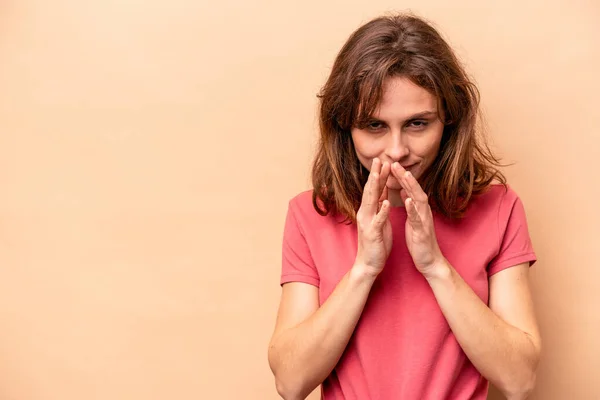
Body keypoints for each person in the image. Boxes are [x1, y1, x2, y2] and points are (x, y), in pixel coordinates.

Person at [267, 13, 541, 400]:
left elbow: (519, 380)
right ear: (345, 126)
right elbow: (290, 383)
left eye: (417, 124)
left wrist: (435, 265)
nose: (397, 150)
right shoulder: (309, 214)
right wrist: (364, 268)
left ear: (449, 118)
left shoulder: (500, 209)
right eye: (374, 126)